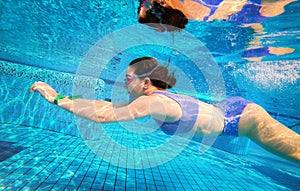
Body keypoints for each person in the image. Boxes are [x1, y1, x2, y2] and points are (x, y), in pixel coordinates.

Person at [30, 57, 300, 164]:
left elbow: (105, 115)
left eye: (127, 78)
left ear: (145, 83)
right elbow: (108, 106)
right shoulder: (154, 99)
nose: (123, 84)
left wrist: (55, 100)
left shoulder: (153, 101)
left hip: (241, 118)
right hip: (229, 109)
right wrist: (62, 96)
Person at [137, 0, 295, 60]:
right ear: (161, 3)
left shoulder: (185, 14)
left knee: (252, 42)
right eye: (143, 4)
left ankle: (261, 49)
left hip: (242, 16)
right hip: (256, 7)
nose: (142, 2)